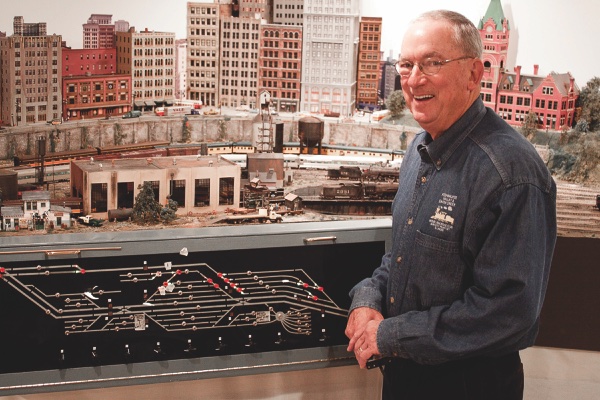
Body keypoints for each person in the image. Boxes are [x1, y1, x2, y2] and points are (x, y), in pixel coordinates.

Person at [345, 10, 556, 400]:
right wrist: (367, 300)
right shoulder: (419, 149)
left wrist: (390, 333)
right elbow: (404, 257)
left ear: (474, 74)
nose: (413, 79)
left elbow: (510, 314)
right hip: (405, 377)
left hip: (469, 386)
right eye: (407, 64)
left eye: (432, 63)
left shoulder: (512, 173)